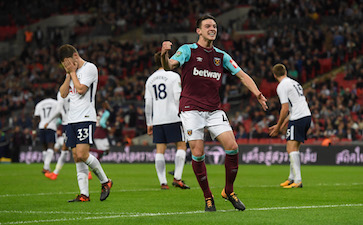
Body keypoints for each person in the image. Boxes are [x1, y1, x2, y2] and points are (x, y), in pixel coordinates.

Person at [160, 14, 268, 211]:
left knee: (233, 146)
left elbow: (242, 75)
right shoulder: (187, 50)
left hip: (213, 109)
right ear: (198, 31)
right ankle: (208, 196)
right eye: (208, 26)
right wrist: (163, 55)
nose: (213, 28)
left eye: (215, 26)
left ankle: (228, 191)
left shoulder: (221, 56)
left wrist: (258, 93)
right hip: (191, 109)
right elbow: (169, 66)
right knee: (198, 152)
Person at [58, 44, 112, 202]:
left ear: (75, 56)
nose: (66, 66)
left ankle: (105, 181)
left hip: (86, 117)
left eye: (67, 62)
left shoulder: (90, 68)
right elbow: (62, 94)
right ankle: (84, 194)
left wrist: (73, 72)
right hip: (71, 119)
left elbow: (81, 89)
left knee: (82, 154)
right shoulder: (71, 72)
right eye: (64, 65)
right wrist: (69, 74)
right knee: (76, 156)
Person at [145, 51, 190, 190]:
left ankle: (163, 182)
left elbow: (148, 104)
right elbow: (177, 97)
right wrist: (184, 116)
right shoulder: (173, 76)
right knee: (181, 146)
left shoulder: (150, 79)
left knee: (160, 150)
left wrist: (149, 122)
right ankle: (177, 178)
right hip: (174, 117)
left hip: (158, 119)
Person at [269, 63, 311, 189]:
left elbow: (285, 108)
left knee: (291, 148)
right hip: (305, 116)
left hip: (298, 117)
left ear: (274, 75)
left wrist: (278, 126)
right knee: (294, 147)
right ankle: (291, 178)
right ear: (285, 72)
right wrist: (281, 124)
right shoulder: (294, 83)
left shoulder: (282, 86)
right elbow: (294, 107)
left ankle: (298, 180)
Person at [43, 92, 70, 180]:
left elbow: (58, 110)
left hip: (67, 124)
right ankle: (55, 173)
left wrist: (48, 121)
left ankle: (55, 173)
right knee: (72, 150)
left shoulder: (61, 92)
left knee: (68, 150)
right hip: (77, 122)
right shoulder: (78, 89)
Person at [32, 97, 58, 174]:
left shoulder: (39, 104)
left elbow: (36, 118)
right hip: (51, 126)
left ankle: (47, 167)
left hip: (42, 126)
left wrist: (34, 131)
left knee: (44, 148)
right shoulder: (55, 103)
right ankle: (46, 167)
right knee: (51, 146)